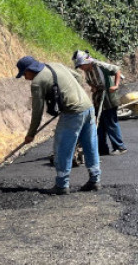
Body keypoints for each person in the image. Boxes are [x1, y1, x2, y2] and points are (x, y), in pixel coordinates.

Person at [16, 55, 100, 194]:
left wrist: (31, 134)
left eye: (25, 73)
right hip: (88, 107)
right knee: (90, 144)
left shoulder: (37, 82)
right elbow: (78, 77)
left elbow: (37, 111)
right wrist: (68, 95)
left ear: (30, 69)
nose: (25, 78)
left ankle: (62, 185)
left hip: (72, 113)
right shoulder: (56, 64)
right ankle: (95, 180)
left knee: (62, 147)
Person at [72, 50, 128, 156]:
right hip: (98, 98)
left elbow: (117, 70)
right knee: (99, 124)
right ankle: (102, 149)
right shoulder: (87, 70)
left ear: (86, 62)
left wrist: (116, 86)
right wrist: (93, 87)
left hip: (109, 97)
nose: (80, 68)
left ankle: (120, 147)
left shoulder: (100, 65)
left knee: (110, 123)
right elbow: (90, 81)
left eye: (81, 65)